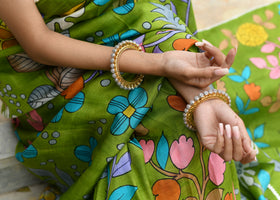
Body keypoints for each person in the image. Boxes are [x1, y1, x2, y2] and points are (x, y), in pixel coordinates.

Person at [0, 0, 256, 199]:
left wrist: (201, 96)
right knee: (155, 143)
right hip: (55, 79)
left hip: (144, 44)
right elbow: (38, 43)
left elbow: (144, 10)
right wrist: (161, 63)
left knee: (185, 120)